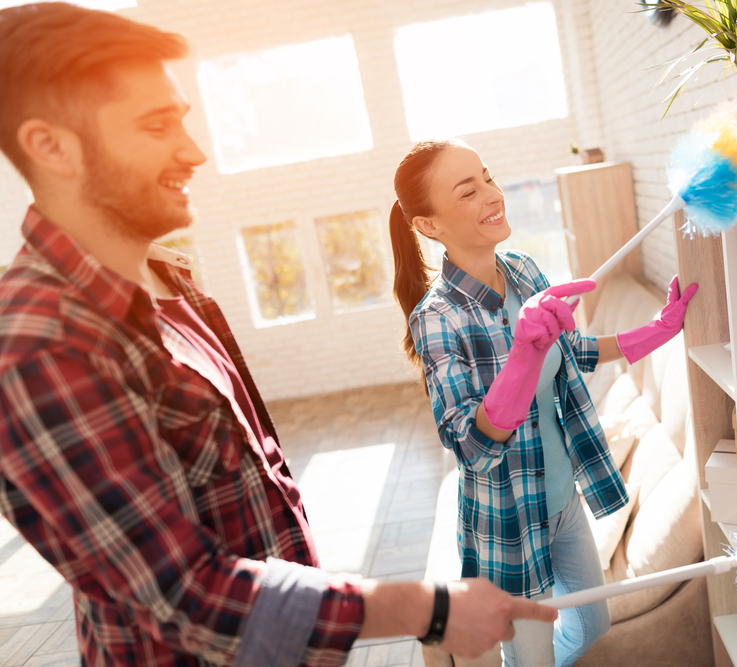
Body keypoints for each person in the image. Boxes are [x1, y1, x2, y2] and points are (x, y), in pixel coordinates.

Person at [0, 4, 557, 666]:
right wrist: (428, 608)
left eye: (180, 118)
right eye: (156, 126)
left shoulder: (174, 285)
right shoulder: (37, 345)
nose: (194, 151)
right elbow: (188, 594)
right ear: (51, 146)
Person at [389, 138, 698, 667]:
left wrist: (661, 329)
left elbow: (574, 352)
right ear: (429, 225)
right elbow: (471, 446)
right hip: (506, 523)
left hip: (565, 504)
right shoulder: (436, 318)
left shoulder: (525, 271)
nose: (492, 194)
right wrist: (523, 356)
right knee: (529, 659)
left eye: (487, 176)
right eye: (468, 191)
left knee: (593, 628)